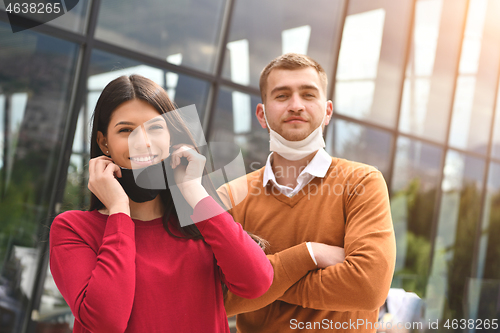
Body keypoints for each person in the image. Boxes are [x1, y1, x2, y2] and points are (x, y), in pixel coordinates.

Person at [49, 74, 273, 333]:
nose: (143, 142)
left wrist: (191, 188)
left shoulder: (203, 222)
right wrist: (119, 209)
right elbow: (106, 323)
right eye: (126, 130)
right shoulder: (73, 229)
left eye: (155, 128)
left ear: (171, 139)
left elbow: (256, 283)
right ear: (103, 143)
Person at [218, 53, 397, 332]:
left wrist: (258, 279)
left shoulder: (362, 182)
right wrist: (309, 255)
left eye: (308, 94)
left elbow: (368, 287)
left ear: (327, 112)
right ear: (262, 115)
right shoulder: (229, 197)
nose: (296, 105)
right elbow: (217, 297)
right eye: (282, 96)